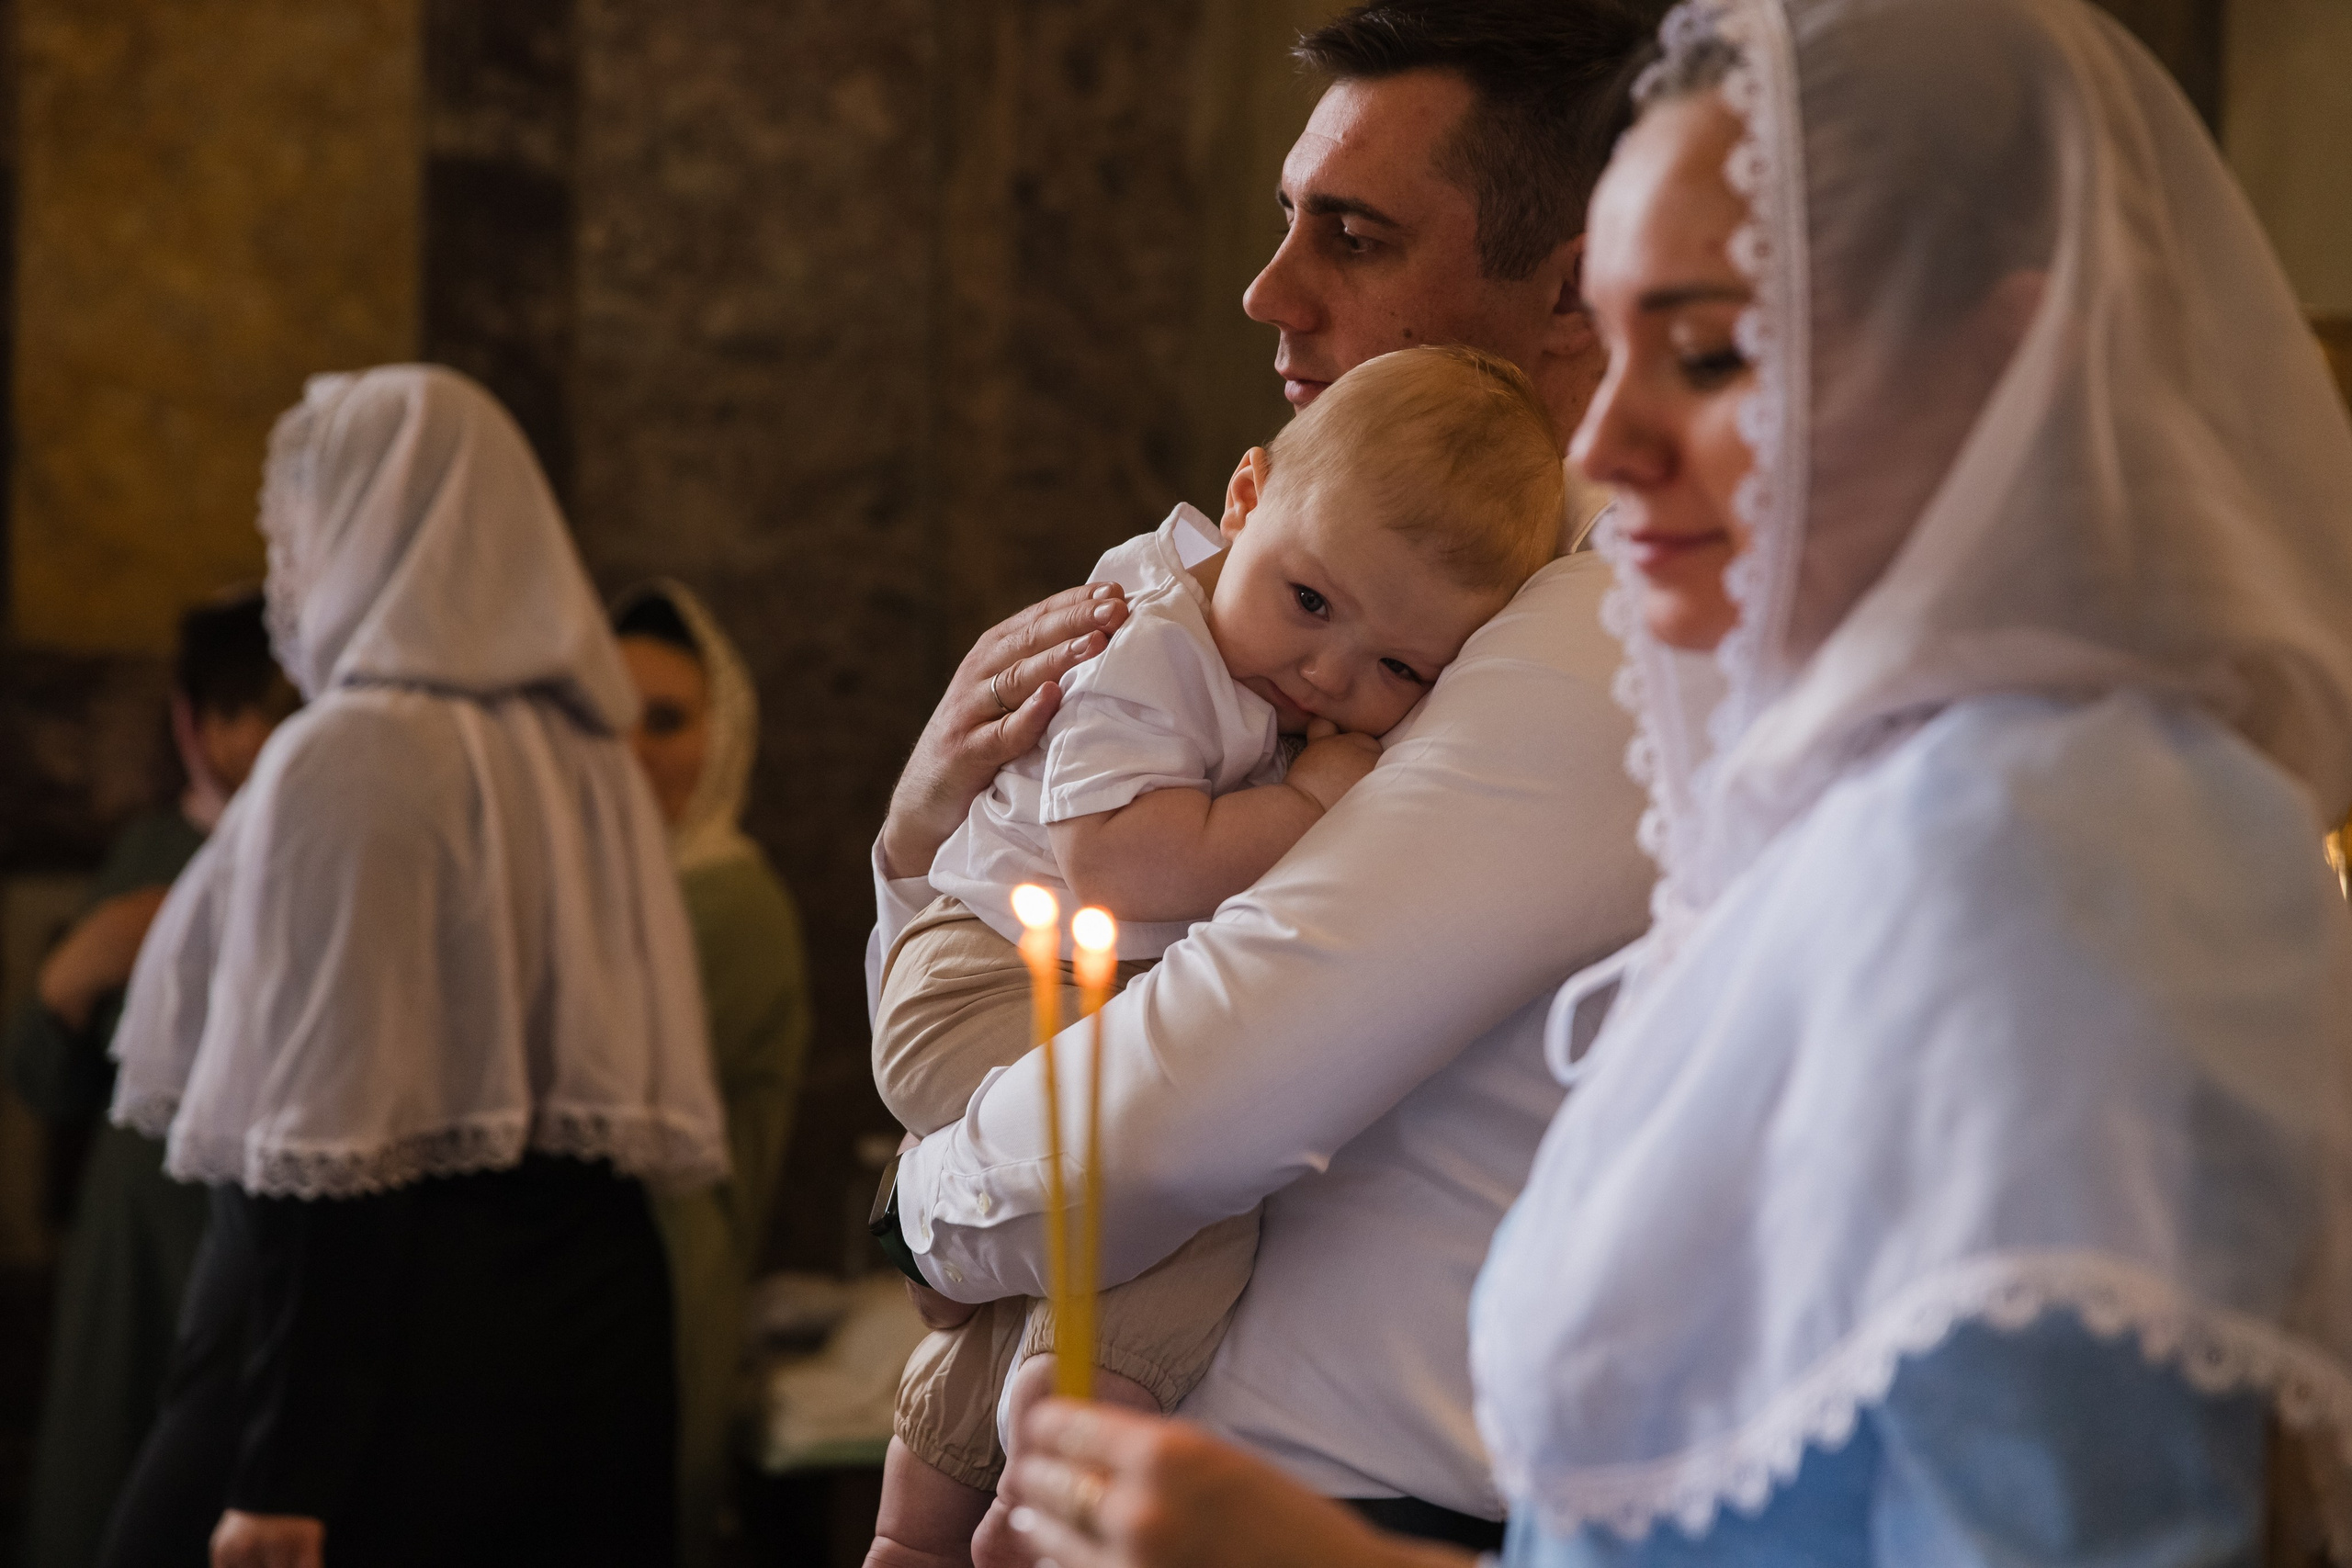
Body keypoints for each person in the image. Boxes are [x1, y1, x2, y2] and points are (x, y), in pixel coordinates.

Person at [999, 0, 2352, 1562]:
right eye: (1618, 334)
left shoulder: (2045, 851)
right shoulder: (1848, 811)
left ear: (1990, 360)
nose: (1618, 441)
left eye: (1706, 352)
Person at [868, 5, 1666, 1560]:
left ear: (1571, 283)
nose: (1268, 292)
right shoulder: (1299, 596)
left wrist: (918, 1209)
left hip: (1346, 1507)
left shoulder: (1589, 629)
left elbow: (1179, 1111)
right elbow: (1047, 930)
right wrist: (913, 842)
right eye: (1283, 218)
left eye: (1351, 237)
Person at [873, 345, 1570, 1559]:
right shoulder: (1159, 650)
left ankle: (918, 1526)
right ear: (1242, 501)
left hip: (1012, 974)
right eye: (1310, 602)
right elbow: (1119, 863)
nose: (1329, 670)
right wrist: (1305, 807)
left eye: (1401, 667)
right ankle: (1048, 1499)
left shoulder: (1257, 659)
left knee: (1066, 1242)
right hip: (983, 973)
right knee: (1174, 1204)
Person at [98, 364, 729, 1568]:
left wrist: (286, 1468)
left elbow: (335, 1129)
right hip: (584, 1327)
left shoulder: (352, 753)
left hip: (383, 1345)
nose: (290, 567)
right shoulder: (585, 753)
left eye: (303, 528)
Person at [9, 590, 297, 1568]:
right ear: (197, 726)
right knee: (117, 1479)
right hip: (141, 1239)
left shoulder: (315, 855)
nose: (262, 735)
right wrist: (69, 980)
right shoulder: (155, 854)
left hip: (256, 1239)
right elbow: (49, 1078)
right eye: (245, 711)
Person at [613, 578, 815, 1568]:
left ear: (721, 736)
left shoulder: (727, 900)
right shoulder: (601, 896)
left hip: (657, 1282)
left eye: (666, 720)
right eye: (603, 718)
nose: (633, 750)